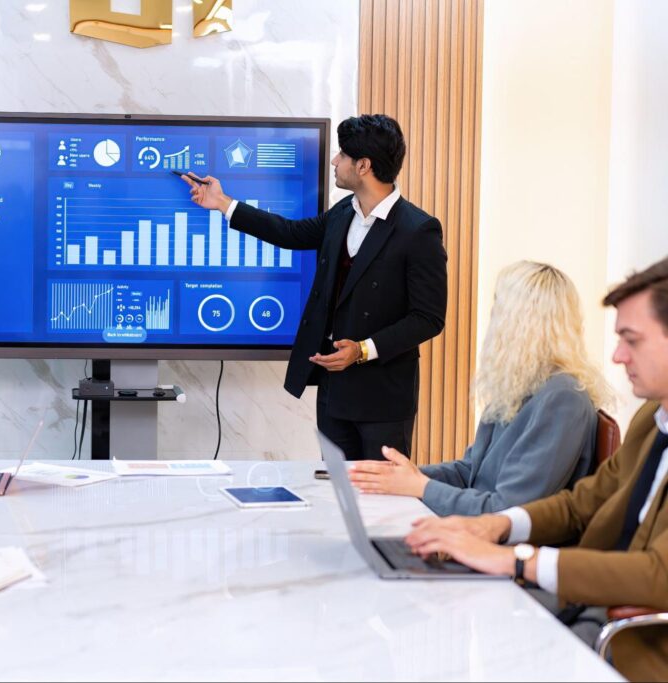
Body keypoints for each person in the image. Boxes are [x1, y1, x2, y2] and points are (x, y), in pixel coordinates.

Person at [404, 256, 668, 682]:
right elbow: (580, 505)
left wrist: (518, 561)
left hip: (628, 634)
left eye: (631, 340)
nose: (617, 356)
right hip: (588, 600)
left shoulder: (563, 397)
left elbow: (657, 575)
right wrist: (496, 526)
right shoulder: (651, 419)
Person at [182, 114, 447, 460]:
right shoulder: (343, 213)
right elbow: (290, 233)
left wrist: (363, 349)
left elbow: (428, 317)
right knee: (336, 494)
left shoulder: (418, 230)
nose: (335, 161)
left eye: (343, 155)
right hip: (334, 392)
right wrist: (223, 203)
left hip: (383, 398)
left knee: (379, 502)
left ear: (364, 165)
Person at [349, 261, 610, 515]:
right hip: (475, 535)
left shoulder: (562, 398)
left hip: (504, 551)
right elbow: (470, 472)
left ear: (521, 322)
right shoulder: (521, 384)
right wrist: (395, 477)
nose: (492, 320)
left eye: (498, 308)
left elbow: (507, 511)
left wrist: (420, 487)